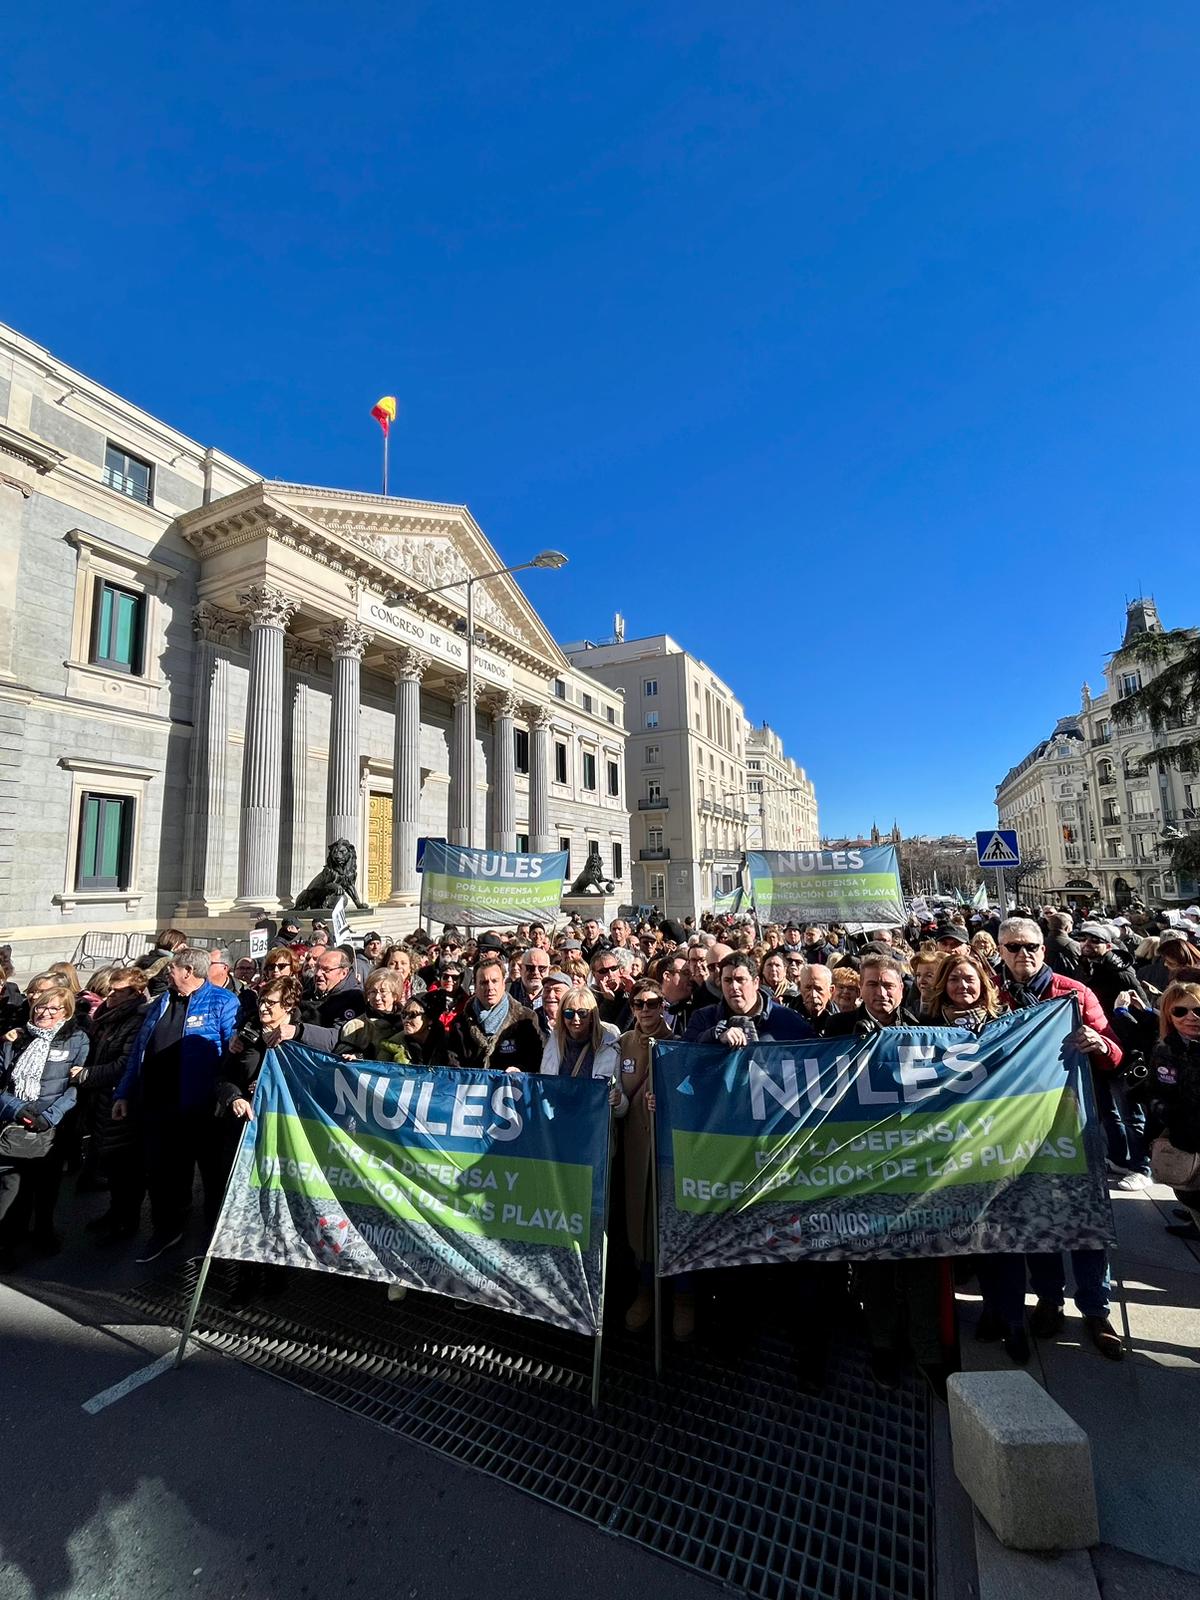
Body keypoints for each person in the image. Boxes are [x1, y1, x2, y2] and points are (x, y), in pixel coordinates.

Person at [994, 916, 1125, 1360]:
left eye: (1030, 945)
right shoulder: (995, 996)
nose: (1022, 954)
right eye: (1012, 947)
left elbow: (1114, 1052)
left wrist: (1100, 1045)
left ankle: (1095, 1309)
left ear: (1043, 949)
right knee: (1039, 1219)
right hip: (1021, 1128)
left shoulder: (1073, 993)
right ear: (1001, 952)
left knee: (1085, 1218)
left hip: (1074, 1123)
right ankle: (1049, 1299)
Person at [113, 947, 241, 1263]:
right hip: (157, 1105)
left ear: (187, 971)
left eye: (172, 968)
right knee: (162, 1174)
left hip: (202, 1110)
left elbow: (231, 1051)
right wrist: (124, 1093)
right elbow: (139, 1052)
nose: (167, 973)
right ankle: (166, 1230)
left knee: (211, 1175)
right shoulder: (160, 1003)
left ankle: (215, 1238)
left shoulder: (222, 1002)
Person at [0, 981, 88, 1261]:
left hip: (52, 1127)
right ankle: (6, 1245)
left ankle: (43, 1235)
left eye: (54, 1008)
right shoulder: (17, 1037)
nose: (45, 1013)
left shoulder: (78, 1039)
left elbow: (75, 1088)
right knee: (10, 1188)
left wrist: (49, 1117)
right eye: (40, 1007)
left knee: (46, 1187)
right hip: (14, 1124)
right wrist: (17, 1110)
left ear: (66, 1012)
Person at [614, 980, 682, 1334]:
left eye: (652, 1003)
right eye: (638, 1004)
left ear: (662, 1006)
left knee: (670, 1218)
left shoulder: (678, 1044)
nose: (645, 1010)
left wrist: (667, 1103)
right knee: (639, 1221)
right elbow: (617, 1093)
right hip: (634, 1148)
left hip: (669, 1150)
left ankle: (683, 1296)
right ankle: (645, 1291)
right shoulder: (622, 1044)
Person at [75, 965, 151, 1243]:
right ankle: (114, 1212)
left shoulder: (137, 1019)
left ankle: (126, 1220)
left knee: (125, 1167)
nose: (111, 997)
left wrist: (87, 1075)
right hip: (101, 1097)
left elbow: (125, 1064)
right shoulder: (108, 1016)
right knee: (110, 1161)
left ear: (135, 993)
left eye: (119, 993)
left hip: (122, 1100)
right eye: (110, 992)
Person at [1144, 981, 1200, 1241]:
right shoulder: (1163, 1049)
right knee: (1186, 1189)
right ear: (1169, 1014)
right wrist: (1165, 1114)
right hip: (1181, 1138)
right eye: (1180, 1011)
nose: (1191, 1017)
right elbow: (1155, 1091)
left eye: (1198, 1010)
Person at [444, 952, 544, 1072]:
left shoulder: (525, 1018)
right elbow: (452, 1065)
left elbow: (535, 1059)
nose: (490, 987)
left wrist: (520, 1069)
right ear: (475, 986)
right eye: (483, 983)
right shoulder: (460, 1024)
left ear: (503, 983)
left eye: (494, 981)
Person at [685, 953, 814, 1044]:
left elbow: (815, 1056)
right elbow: (684, 1056)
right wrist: (715, 1036)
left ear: (756, 982)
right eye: (727, 980)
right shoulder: (703, 1019)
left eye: (740, 980)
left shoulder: (788, 1019)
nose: (734, 986)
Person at [541, 986, 624, 1098]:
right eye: (569, 1013)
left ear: (592, 1016)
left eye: (582, 1013)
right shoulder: (553, 1043)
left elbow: (621, 1105)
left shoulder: (609, 1044)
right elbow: (545, 1089)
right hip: (560, 1113)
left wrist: (619, 1102)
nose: (576, 1018)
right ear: (562, 1015)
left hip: (594, 1114)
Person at [825, 955, 922, 1037]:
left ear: (901, 988)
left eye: (888, 986)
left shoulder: (918, 1027)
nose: (881, 993)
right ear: (861, 987)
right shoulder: (838, 1026)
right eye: (873, 985)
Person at [337, 970, 409, 1061]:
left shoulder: (406, 1023)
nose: (377, 998)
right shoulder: (354, 1026)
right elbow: (341, 1058)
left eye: (383, 992)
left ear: (395, 996)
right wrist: (358, 1056)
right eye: (373, 992)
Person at [305, 948, 367, 1031]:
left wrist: (299, 1031)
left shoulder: (354, 999)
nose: (318, 973)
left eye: (326, 970)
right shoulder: (308, 991)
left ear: (343, 973)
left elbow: (338, 1035)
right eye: (317, 968)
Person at [590, 949, 633, 1032]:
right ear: (594, 974)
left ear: (620, 969)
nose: (610, 974)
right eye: (603, 971)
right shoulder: (590, 997)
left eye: (614, 968)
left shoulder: (629, 990)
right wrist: (608, 1001)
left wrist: (634, 994)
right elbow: (607, 1033)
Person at [794, 964, 837, 1034]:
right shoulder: (787, 1018)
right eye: (808, 988)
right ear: (800, 988)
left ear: (831, 990)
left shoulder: (841, 1024)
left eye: (818, 989)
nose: (813, 995)